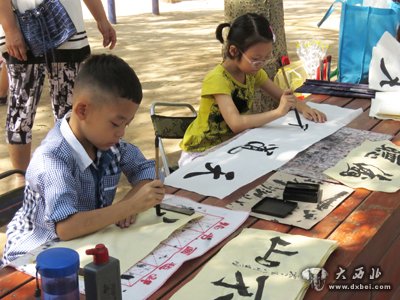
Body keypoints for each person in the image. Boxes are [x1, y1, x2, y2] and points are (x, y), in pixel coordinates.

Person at [1, 54, 165, 265]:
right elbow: (67, 227)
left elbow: (146, 170)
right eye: (116, 124)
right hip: (34, 259)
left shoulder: (109, 145)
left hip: (84, 243)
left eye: (127, 124)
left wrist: (127, 204)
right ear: (82, 110)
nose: (121, 133)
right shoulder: (52, 160)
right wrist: (129, 207)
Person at [179, 13, 327, 166]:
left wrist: (303, 107)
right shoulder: (217, 79)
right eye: (256, 59)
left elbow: (281, 95)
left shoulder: (252, 73)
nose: (261, 64)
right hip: (200, 153)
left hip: (230, 147)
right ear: (234, 51)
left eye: (266, 58)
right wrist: (278, 112)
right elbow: (236, 123)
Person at [0, 0, 117, 184]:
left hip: (67, 28)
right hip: (20, 26)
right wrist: (9, 28)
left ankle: (67, 176)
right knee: (21, 112)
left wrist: (101, 18)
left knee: (70, 113)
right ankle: (23, 184)